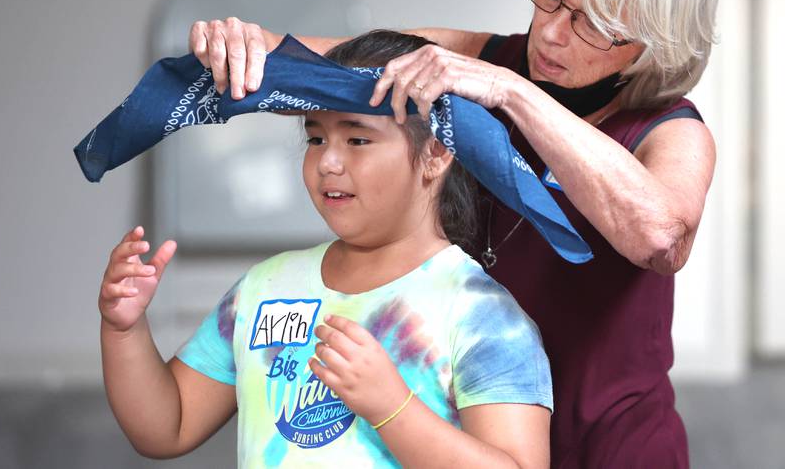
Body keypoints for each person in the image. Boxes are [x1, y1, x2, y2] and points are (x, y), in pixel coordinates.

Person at [186, 0, 719, 467]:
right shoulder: (479, 57)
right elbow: (322, 70)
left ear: (654, 41)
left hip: (612, 445)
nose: (551, 33)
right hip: (466, 430)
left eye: (592, 24)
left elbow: (660, 239)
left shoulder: (671, 130)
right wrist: (237, 46)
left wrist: (513, 93)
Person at [99, 30, 553, 468]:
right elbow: (167, 426)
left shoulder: (482, 314)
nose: (328, 162)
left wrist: (392, 406)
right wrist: (124, 331)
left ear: (436, 152)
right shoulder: (264, 288)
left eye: (357, 139)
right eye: (317, 138)